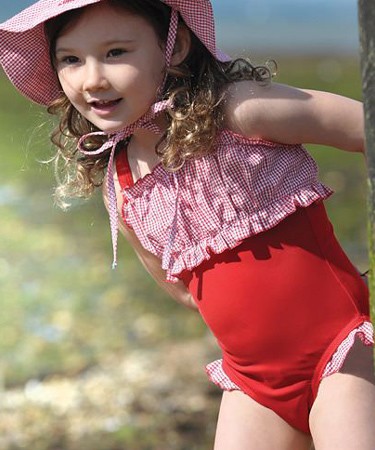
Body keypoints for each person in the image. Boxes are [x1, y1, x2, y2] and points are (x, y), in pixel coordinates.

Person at [1, 0, 374, 448]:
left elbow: (362, 128)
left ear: (174, 45)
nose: (92, 78)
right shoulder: (122, 184)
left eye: (116, 52)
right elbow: (180, 288)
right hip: (254, 386)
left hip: (343, 349)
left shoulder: (237, 113)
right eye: (71, 59)